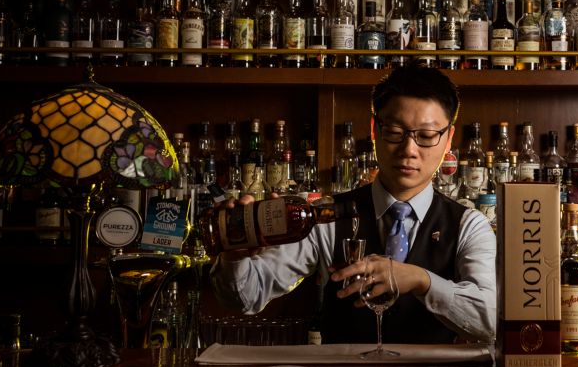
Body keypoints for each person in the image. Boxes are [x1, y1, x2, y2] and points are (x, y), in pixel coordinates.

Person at [210, 65, 496, 344]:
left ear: (448, 139)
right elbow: (247, 297)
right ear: (374, 130)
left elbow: (490, 322)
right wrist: (235, 257)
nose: (409, 150)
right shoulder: (327, 215)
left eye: (426, 136)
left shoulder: (468, 226)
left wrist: (422, 280)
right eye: (395, 132)